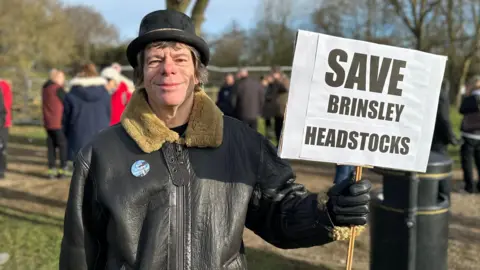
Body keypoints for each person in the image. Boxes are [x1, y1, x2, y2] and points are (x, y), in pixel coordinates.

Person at [59, 9, 372, 269]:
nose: (168, 69)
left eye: (180, 59)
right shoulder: (101, 153)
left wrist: (328, 212)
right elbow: (80, 250)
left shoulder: (242, 143)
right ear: (140, 75)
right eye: (155, 60)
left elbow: (280, 213)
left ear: (197, 73)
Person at [62, 63, 111, 161]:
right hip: (101, 136)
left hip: (78, 136)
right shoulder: (105, 93)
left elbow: (66, 119)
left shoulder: (72, 94)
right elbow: (108, 114)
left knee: (80, 172)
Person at [42, 70, 69, 179]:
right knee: (63, 145)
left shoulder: (45, 88)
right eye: (62, 77)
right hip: (58, 122)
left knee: (51, 146)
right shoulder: (58, 89)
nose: (63, 80)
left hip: (48, 122)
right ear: (56, 78)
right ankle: (63, 169)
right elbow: (67, 102)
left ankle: (51, 169)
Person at [459, 75, 480, 193]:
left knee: (467, 162)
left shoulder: (470, 98)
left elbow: (461, 110)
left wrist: (466, 95)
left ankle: (470, 187)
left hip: (469, 134)